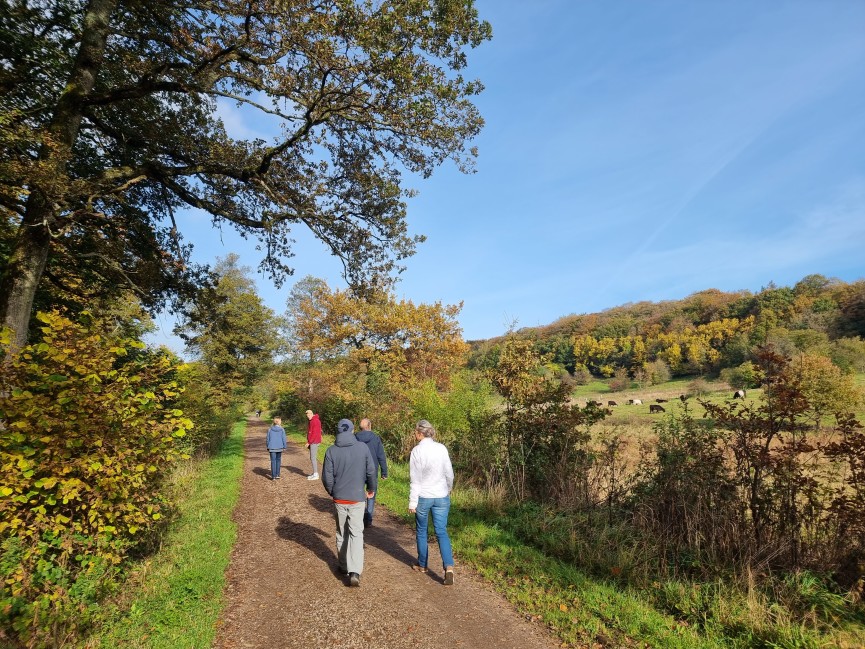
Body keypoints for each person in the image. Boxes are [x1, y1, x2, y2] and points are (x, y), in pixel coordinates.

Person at [322, 419, 377, 587]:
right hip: (357, 497)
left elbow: (327, 477)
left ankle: (343, 565)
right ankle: (355, 571)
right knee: (356, 533)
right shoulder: (362, 448)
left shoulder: (331, 451)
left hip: (340, 498)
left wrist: (333, 491)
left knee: (341, 532)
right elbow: (371, 471)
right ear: (353, 430)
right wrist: (371, 488)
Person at [408, 419, 455, 586]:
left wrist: (412, 502)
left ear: (421, 433)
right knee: (441, 531)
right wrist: (448, 488)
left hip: (424, 497)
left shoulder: (416, 451)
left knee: (422, 531)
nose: (414, 434)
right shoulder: (441, 448)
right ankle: (448, 567)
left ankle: (422, 565)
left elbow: (415, 479)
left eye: (416, 432)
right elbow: (449, 472)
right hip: (441, 496)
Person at [355, 418, 388, 528]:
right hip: (372, 469)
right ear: (370, 426)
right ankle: (368, 519)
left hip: (358, 469)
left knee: (359, 492)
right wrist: (384, 472)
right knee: (371, 493)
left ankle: (361, 515)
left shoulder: (355, 437)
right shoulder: (375, 438)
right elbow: (381, 455)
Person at [305, 409, 322, 480]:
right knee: (312, 457)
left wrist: (309, 442)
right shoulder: (312, 420)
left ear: (312, 414)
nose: (308, 416)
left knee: (313, 457)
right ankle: (315, 473)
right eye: (307, 415)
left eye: (309, 414)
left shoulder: (315, 421)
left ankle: (316, 474)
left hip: (314, 441)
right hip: (313, 441)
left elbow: (314, 433)